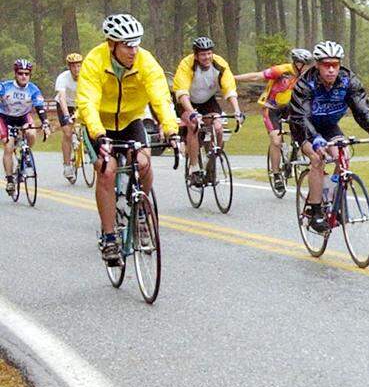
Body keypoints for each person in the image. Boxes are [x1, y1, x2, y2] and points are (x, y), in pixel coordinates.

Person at [75, 14, 180, 264]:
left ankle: (141, 214)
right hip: (99, 122)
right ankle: (110, 237)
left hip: (131, 120)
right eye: (127, 44)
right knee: (107, 170)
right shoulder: (94, 61)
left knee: (143, 163)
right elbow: (87, 101)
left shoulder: (146, 62)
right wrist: (99, 135)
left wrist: (171, 129)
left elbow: (160, 97)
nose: (133, 50)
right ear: (112, 44)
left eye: (136, 43)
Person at [287, 41, 369, 233]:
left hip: (329, 125)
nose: (331, 69)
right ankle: (315, 211)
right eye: (326, 65)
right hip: (304, 127)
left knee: (345, 156)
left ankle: (333, 200)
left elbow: (362, 109)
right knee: (317, 159)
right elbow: (301, 116)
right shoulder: (305, 84)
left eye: (335, 64)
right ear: (317, 65)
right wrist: (315, 139)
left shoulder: (349, 80)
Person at [234, 48, 314, 192]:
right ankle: (276, 173)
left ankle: (294, 152)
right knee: (276, 140)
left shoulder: (309, 76)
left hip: (292, 109)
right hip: (272, 109)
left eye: (309, 65)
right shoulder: (282, 70)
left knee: (304, 133)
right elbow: (256, 76)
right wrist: (233, 78)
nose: (307, 68)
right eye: (305, 64)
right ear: (297, 63)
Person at [171, 36, 243, 186]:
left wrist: (237, 111)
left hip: (208, 101)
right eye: (203, 54)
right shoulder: (187, 64)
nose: (207, 57)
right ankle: (194, 168)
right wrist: (192, 113)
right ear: (196, 56)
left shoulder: (219, 63)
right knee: (193, 125)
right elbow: (182, 92)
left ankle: (211, 164)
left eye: (209, 53)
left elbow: (229, 88)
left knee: (218, 128)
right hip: (186, 101)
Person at [1, 59, 51, 195]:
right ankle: (10, 180)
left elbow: (40, 108)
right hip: (6, 118)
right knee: (9, 146)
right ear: (15, 74)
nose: (24, 76)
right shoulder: (5, 86)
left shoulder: (33, 89)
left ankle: (25, 154)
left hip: (23, 116)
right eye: (20, 73)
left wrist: (45, 123)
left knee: (31, 133)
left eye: (27, 74)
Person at [55, 52, 84, 182]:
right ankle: (67, 165)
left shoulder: (86, 76)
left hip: (80, 105)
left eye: (78, 66)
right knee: (67, 133)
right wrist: (66, 115)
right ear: (69, 67)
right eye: (73, 66)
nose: (76, 69)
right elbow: (62, 97)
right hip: (65, 105)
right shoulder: (63, 78)